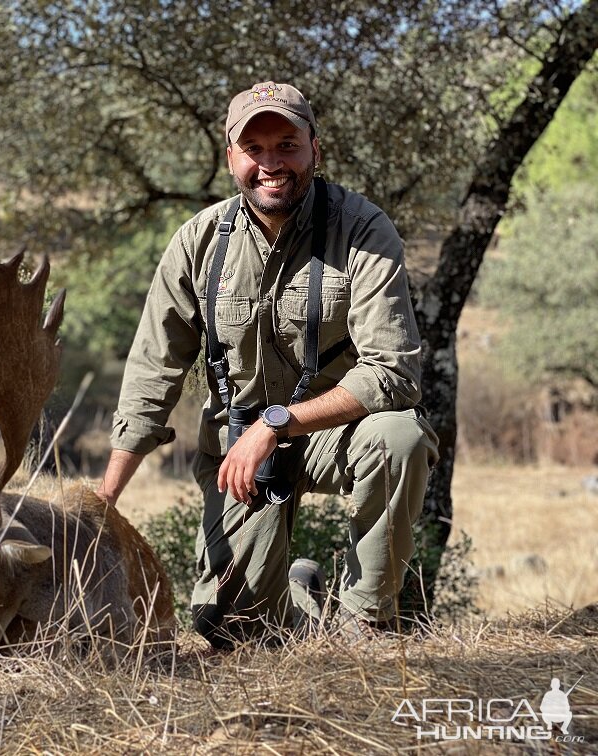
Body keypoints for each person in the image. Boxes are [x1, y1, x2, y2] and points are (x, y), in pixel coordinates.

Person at [97, 81, 439, 649]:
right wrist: (104, 502)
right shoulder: (197, 242)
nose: (271, 164)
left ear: (315, 150)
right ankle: (302, 596)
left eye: (287, 144)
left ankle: (367, 624)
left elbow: (394, 373)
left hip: (337, 430)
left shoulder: (363, 228)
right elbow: (151, 375)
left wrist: (276, 422)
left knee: (400, 435)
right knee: (231, 627)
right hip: (237, 449)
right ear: (231, 157)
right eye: (254, 149)